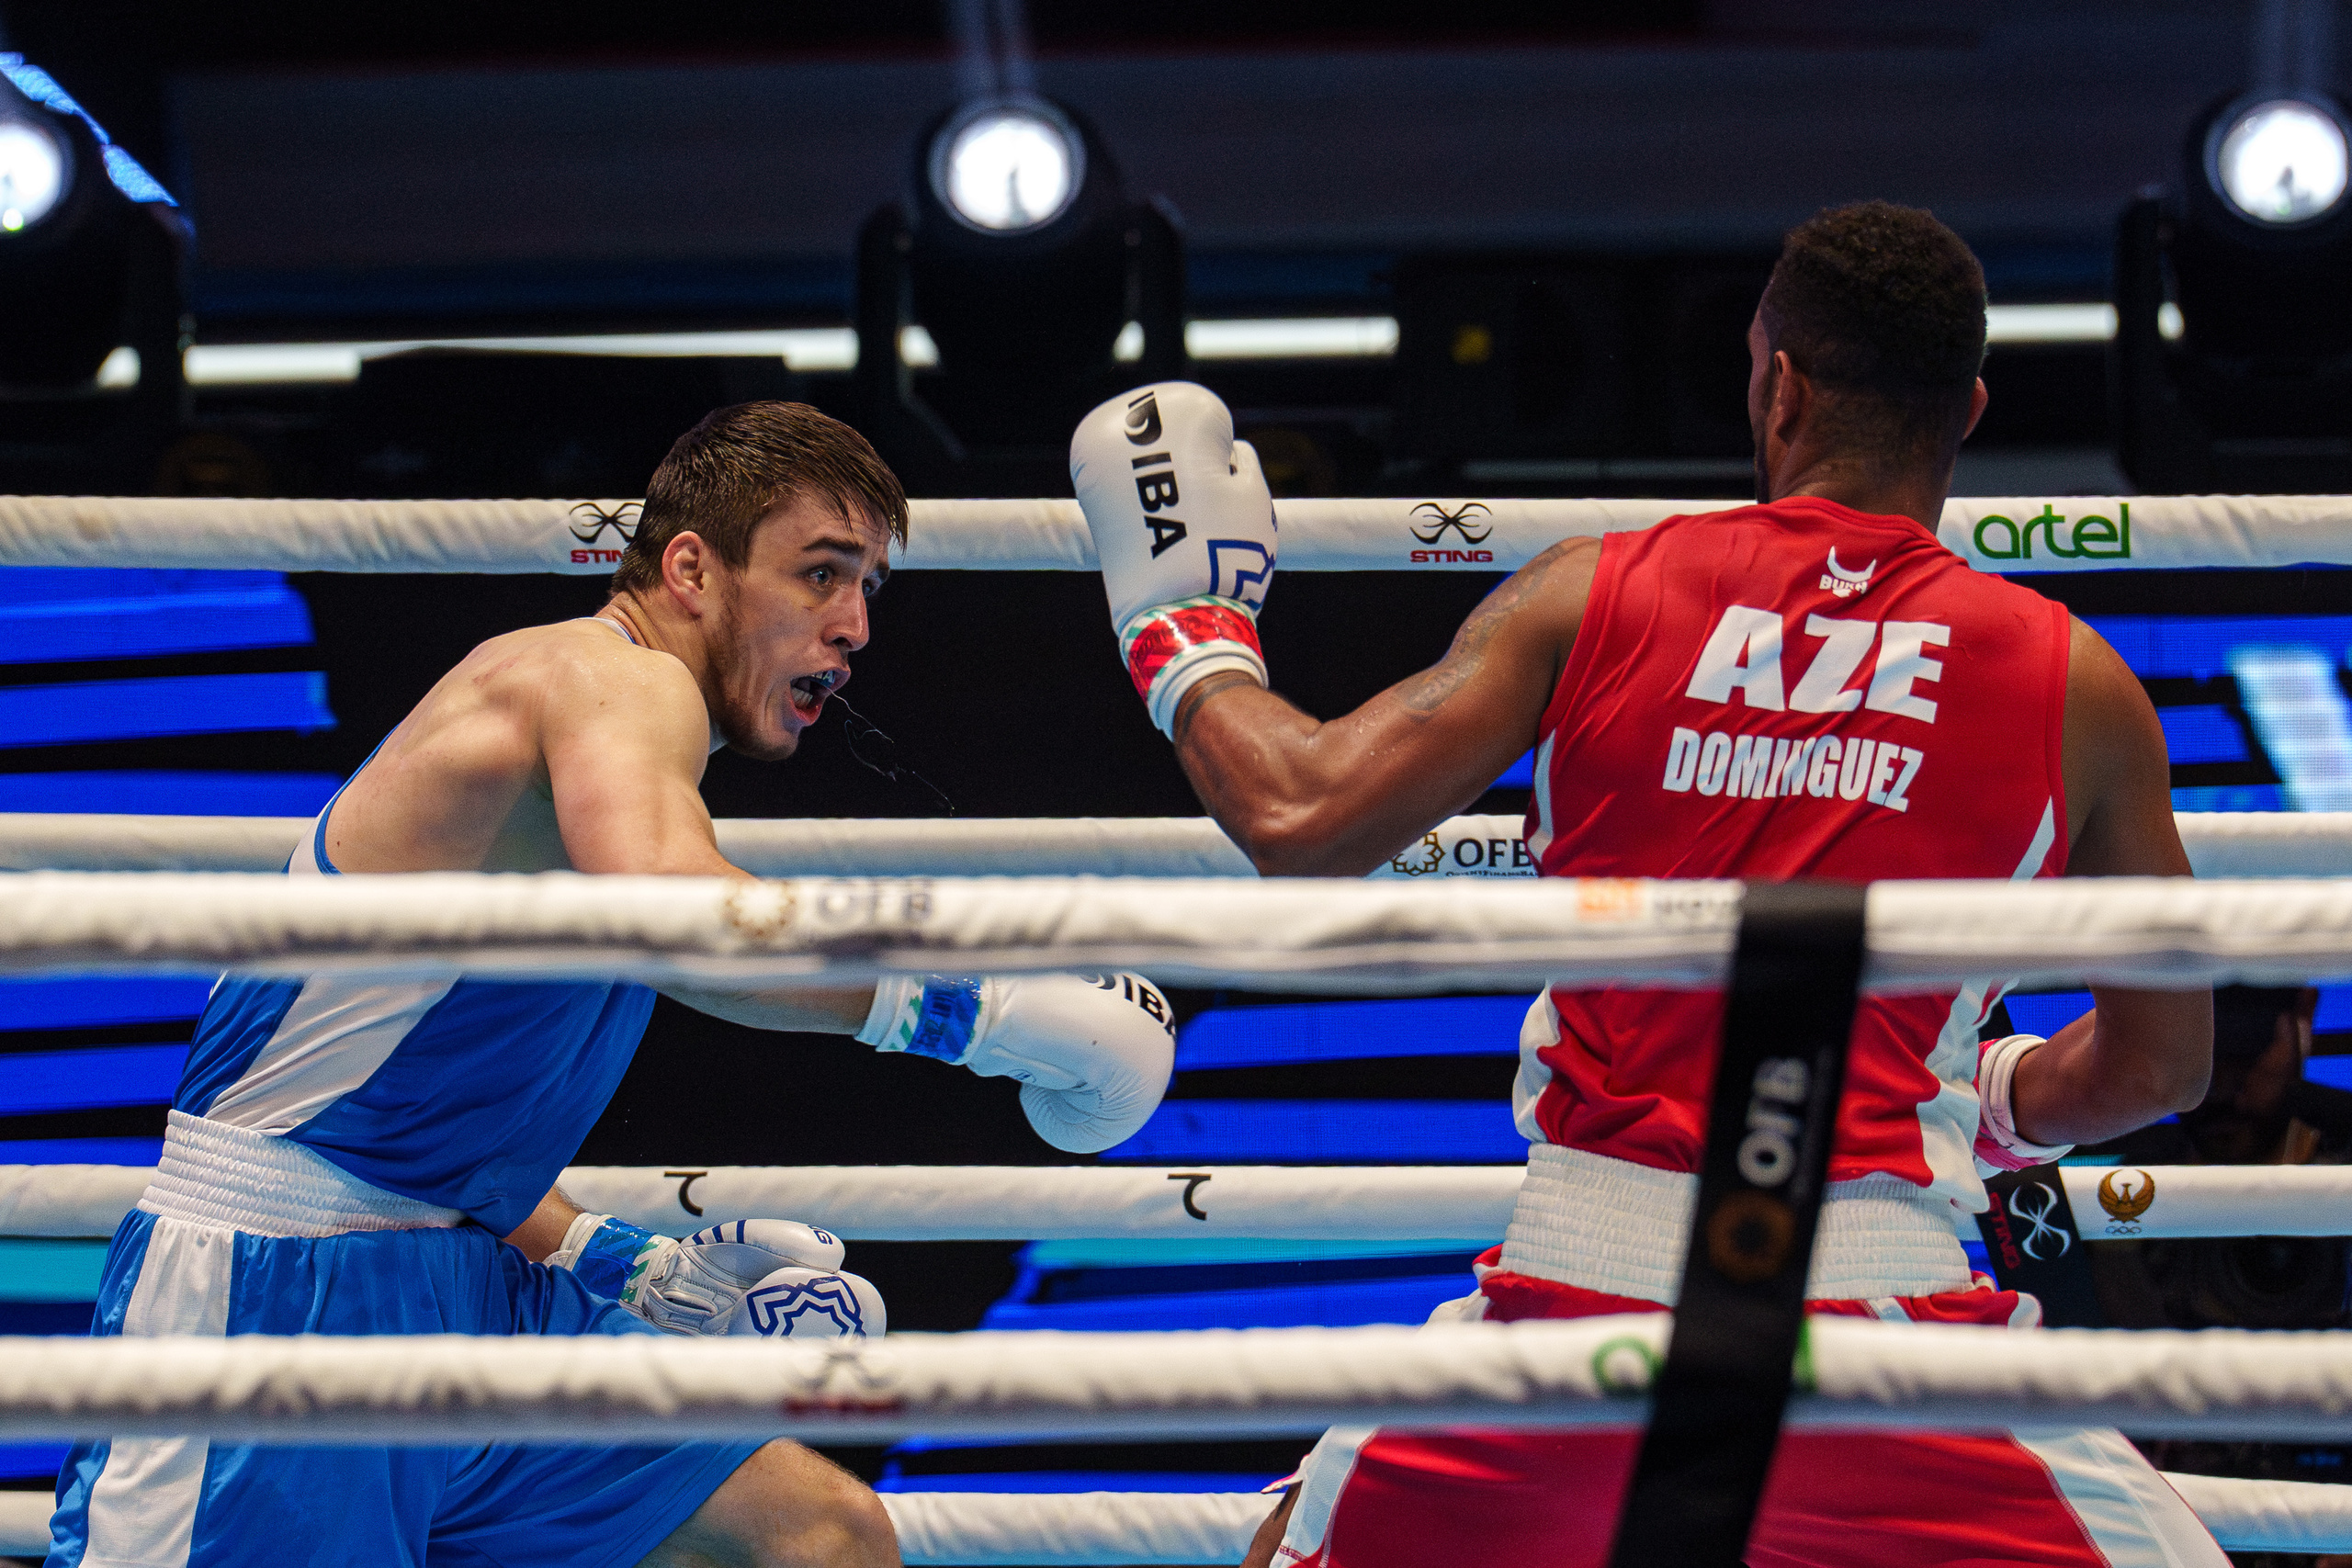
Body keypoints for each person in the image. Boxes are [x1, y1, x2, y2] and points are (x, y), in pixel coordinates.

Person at [1071, 203, 2220, 1567]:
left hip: (1575, 1307)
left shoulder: (1593, 596)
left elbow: (1299, 811)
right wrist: (1990, 1100)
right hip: (1883, 1323)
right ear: (1968, 409)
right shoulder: (2075, 684)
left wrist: (1184, 628)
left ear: (1777, 385)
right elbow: (2161, 1066)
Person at [49, 400, 1178, 1568]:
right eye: (820, 573)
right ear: (690, 568)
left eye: (869, 588)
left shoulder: (609, 748)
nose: (852, 626)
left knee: (815, 1539)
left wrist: (621, 1262)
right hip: (282, 1300)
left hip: (462, 1286)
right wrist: (974, 1008)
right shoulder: (605, 676)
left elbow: (412, 1134)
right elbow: (672, 915)